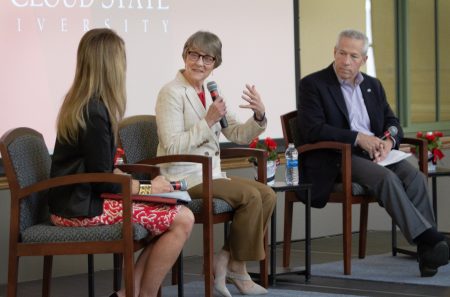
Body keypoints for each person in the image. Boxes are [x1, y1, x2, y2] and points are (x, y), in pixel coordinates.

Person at [48, 28, 194, 297]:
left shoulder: (85, 104)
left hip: (80, 200)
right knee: (182, 218)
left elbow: (103, 170)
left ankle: (128, 294)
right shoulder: (94, 112)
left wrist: (145, 188)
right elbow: (106, 181)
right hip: (81, 209)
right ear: (111, 65)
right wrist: (152, 189)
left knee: (170, 219)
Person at [297, 29, 449, 277]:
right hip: (338, 158)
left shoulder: (373, 86)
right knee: (387, 179)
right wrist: (359, 138)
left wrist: (389, 140)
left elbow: (392, 122)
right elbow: (313, 129)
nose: (346, 61)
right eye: (342, 53)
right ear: (334, 52)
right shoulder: (313, 84)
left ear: (364, 60)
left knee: (416, 177)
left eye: (354, 56)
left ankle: (428, 252)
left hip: (377, 154)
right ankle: (431, 238)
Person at [155, 31, 276, 296]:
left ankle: (227, 259)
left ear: (215, 63)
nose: (199, 63)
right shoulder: (171, 93)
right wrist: (208, 120)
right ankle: (238, 270)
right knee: (249, 196)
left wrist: (259, 114)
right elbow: (173, 147)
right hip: (184, 178)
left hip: (212, 175)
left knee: (266, 194)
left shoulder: (211, 92)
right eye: (194, 55)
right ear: (185, 55)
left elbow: (236, 133)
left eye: (207, 58)